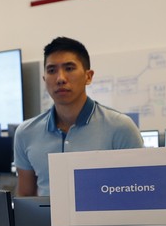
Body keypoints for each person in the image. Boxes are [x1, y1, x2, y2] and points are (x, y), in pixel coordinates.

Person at [13, 37, 143, 197]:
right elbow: (25, 197)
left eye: (69, 68)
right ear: (44, 79)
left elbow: (137, 194)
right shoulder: (26, 132)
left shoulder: (120, 127)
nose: (60, 78)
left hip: (104, 221)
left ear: (88, 76)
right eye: (52, 70)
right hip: (44, 222)